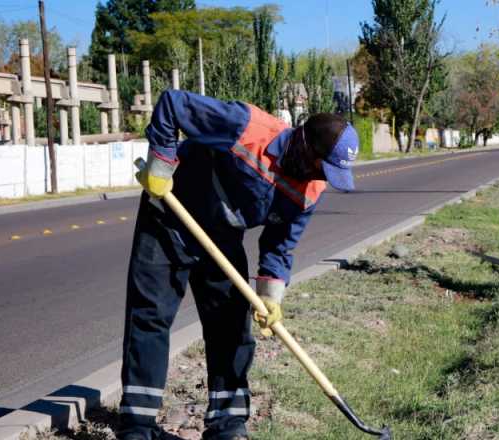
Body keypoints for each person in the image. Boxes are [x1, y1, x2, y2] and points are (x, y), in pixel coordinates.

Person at [119, 90, 359, 440]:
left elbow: (279, 244)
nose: (320, 179)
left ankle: (227, 425)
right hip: (169, 217)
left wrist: (270, 297)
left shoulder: (309, 190)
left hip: (221, 236)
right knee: (150, 316)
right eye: (322, 168)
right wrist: (161, 162)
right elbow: (172, 105)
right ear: (305, 148)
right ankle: (137, 426)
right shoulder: (246, 126)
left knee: (231, 326)